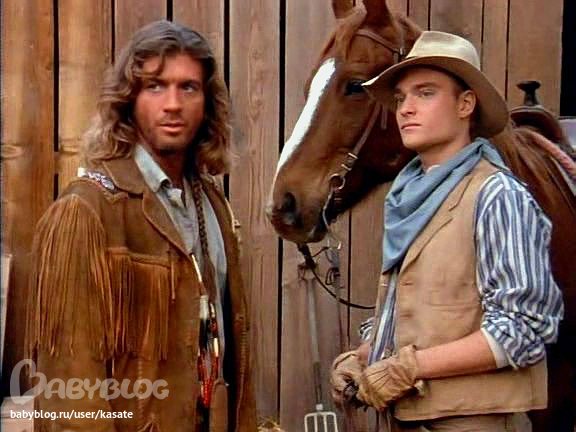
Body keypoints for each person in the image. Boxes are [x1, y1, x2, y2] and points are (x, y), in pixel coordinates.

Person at [26, 20, 257, 431]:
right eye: (155, 86)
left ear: (207, 103)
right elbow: (69, 395)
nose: (173, 104)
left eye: (188, 87)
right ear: (128, 99)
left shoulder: (212, 205)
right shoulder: (87, 211)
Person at [330, 31, 564, 431]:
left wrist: (411, 367)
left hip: (476, 421)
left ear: (465, 104)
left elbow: (524, 328)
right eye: (401, 98)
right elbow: (423, 315)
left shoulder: (497, 195)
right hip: (409, 418)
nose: (406, 109)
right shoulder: (409, 199)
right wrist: (365, 356)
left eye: (425, 93)